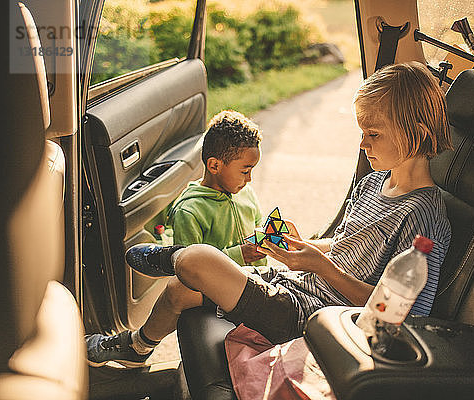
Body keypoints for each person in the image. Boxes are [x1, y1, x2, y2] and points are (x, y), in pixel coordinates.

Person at [121, 61, 453, 347]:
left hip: (318, 318)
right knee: (179, 289)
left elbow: (400, 314)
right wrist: (302, 248)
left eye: (374, 134)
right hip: (297, 288)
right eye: (362, 131)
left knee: (199, 259)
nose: (362, 142)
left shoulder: (423, 216)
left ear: (418, 133)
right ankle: (135, 348)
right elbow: (346, 248)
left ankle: (170, 256)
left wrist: (321, 267)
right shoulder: (372, 183)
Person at [86, 110, 266, 367]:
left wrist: (266, 240)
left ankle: (137, 343)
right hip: (221, 290)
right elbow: (192, 271)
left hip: (253, 281)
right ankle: (139, 343)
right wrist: (240, 254)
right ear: (214, 165)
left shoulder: (245, 194)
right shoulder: (189, 211)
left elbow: (256, 223)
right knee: (180, 281)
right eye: (245, 170)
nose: (249, 179)